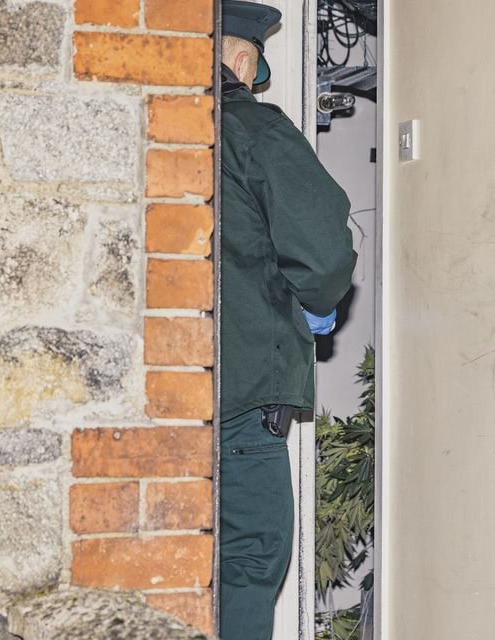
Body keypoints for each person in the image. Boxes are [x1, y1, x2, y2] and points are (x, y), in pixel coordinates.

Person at [218, 2, 357, 639]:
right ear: (242, 60)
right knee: (250, 560)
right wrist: (316, 303)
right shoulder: (251, 128)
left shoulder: (143, 126)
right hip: (243, 399)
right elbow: (325, 251)